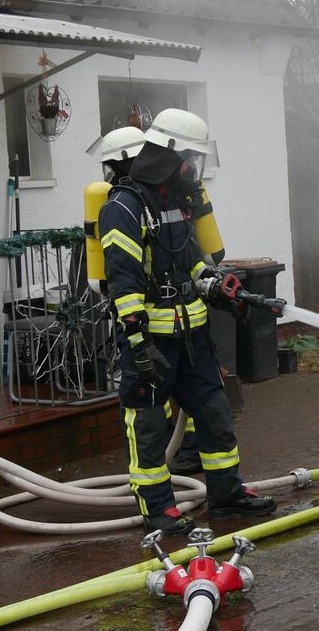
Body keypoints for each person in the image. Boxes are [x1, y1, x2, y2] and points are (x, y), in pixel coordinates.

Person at [98, 108, 275, 535]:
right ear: (168, 155)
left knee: (215, 415)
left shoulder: (176, 201)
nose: (192, 169)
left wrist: (219, 287)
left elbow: (191, 264)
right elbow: (122, 282)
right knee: (149, 426)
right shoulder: (123, 207)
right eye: (189, 160)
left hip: (193, 338)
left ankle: (227, 494)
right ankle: (158, 509)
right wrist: (139, 345)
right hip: (151, 343)